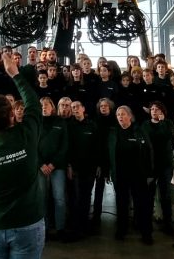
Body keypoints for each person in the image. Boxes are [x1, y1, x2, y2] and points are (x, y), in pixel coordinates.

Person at [0, 46, 46, 258]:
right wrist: (15, 73)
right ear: (12, 116)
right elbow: (33, 102)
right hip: (27, 223)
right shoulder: (27, 134)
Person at [108, 105, 154, 244]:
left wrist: (149, 172)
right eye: (118, 115)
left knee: (142, 204)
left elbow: (148, 151)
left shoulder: (139, 131)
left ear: (130, 116)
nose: (120, 117)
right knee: (121, 203)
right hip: (120, 174)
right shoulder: (113, 132)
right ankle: (121, 230)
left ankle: (146, 232)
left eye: (123, 114)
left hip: (138, 174)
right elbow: (108, 153)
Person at [66, 100, 98, 241]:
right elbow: (67, 148)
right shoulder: (69, 126)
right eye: (73, 108)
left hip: (90, 168)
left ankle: (84, 227)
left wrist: (99, 165)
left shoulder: (92, 125)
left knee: (86, 197)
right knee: (75, 198)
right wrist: (69, 166)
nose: (75, 109)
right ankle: (75, 228)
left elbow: (98, 146)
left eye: (77, 107)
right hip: (75, 168)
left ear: (83, 108)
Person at [142, 101, 174, 235]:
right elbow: (150, 140)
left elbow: (167, 136)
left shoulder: (168, 123)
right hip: (151, 164)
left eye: (157, 109)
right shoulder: (145, 125)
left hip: (165, 164)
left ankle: (168, 224)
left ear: (162, 111)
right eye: (152, 109)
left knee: (165, 194)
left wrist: (162, 123)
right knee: (148, 195)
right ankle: (147, 225)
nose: (154, 111)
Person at [38, 97, 69, 239]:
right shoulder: (35, 123)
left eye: (46, 105)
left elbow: (64, 146)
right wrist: (41, 164)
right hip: (40, 168)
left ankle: (60, 228)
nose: (44, 107)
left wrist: (53, 164)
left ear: (52, 107)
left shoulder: (60, 122)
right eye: (41, 105)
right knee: (42, 198)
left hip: (58, 166)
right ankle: (43, 228)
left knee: (59, 198)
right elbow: (31, 145)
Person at [92, 98, 117, 228]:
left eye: (106, 106)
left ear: (110, 107)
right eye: (101, 106)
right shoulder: (95, 121)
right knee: (99, 190)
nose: (103, 108)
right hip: (101, 160)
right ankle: (96, 217)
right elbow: (97, 144)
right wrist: (99, 164)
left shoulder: (115, 120)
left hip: (114, 160)